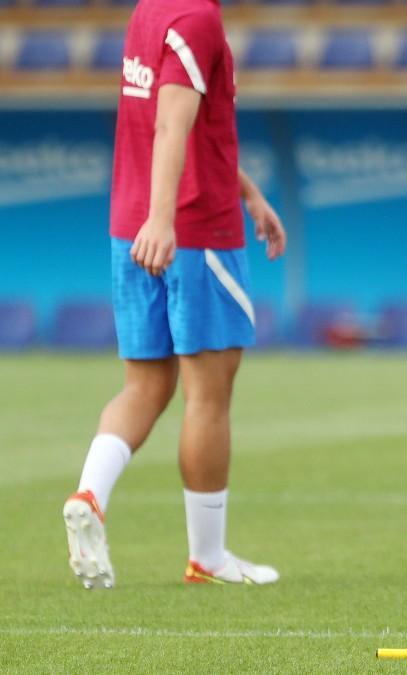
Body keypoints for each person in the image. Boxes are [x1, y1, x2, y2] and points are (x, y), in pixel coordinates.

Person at [62, 0, 286, 589]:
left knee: (146, 384)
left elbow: (184, 122)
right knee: (207, 397)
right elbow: (171, 124)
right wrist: (165, 217)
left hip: (130, 229)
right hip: (190, 234)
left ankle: (90, 493)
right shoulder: (198, 19)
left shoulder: (150, 13)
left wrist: (247, 192)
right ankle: (207, 558)